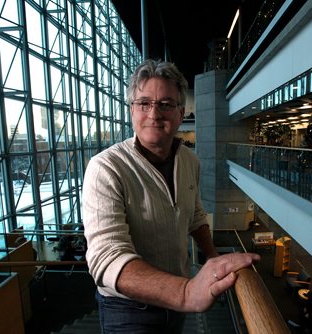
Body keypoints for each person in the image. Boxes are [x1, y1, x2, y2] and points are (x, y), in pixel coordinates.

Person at [82, 59, 260, 333]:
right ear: (132, 111)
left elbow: (196, 215)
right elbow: (106, 259)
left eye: (165, 104)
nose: (154, 113)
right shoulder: (106, 168)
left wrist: (212, 256)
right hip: (128, 311)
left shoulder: (189, 160)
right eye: (144, 103)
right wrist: (187, 293)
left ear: (180, 113)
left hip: (175, 305)